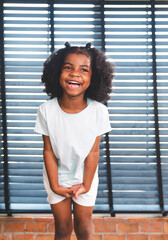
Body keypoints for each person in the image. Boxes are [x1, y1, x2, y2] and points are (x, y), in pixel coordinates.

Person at [34, 42, 114, 240]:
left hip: (85, 175)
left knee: (83, 228)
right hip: (56, 177)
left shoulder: (99, 112)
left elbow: (93, 152)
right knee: (62, 228)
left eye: (83, 69)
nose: (74, 73)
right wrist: (55, 185)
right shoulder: (46, 110)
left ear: (93, 77)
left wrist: (85, 185)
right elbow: (48, 151)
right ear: (57, 72)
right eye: (68, 67)